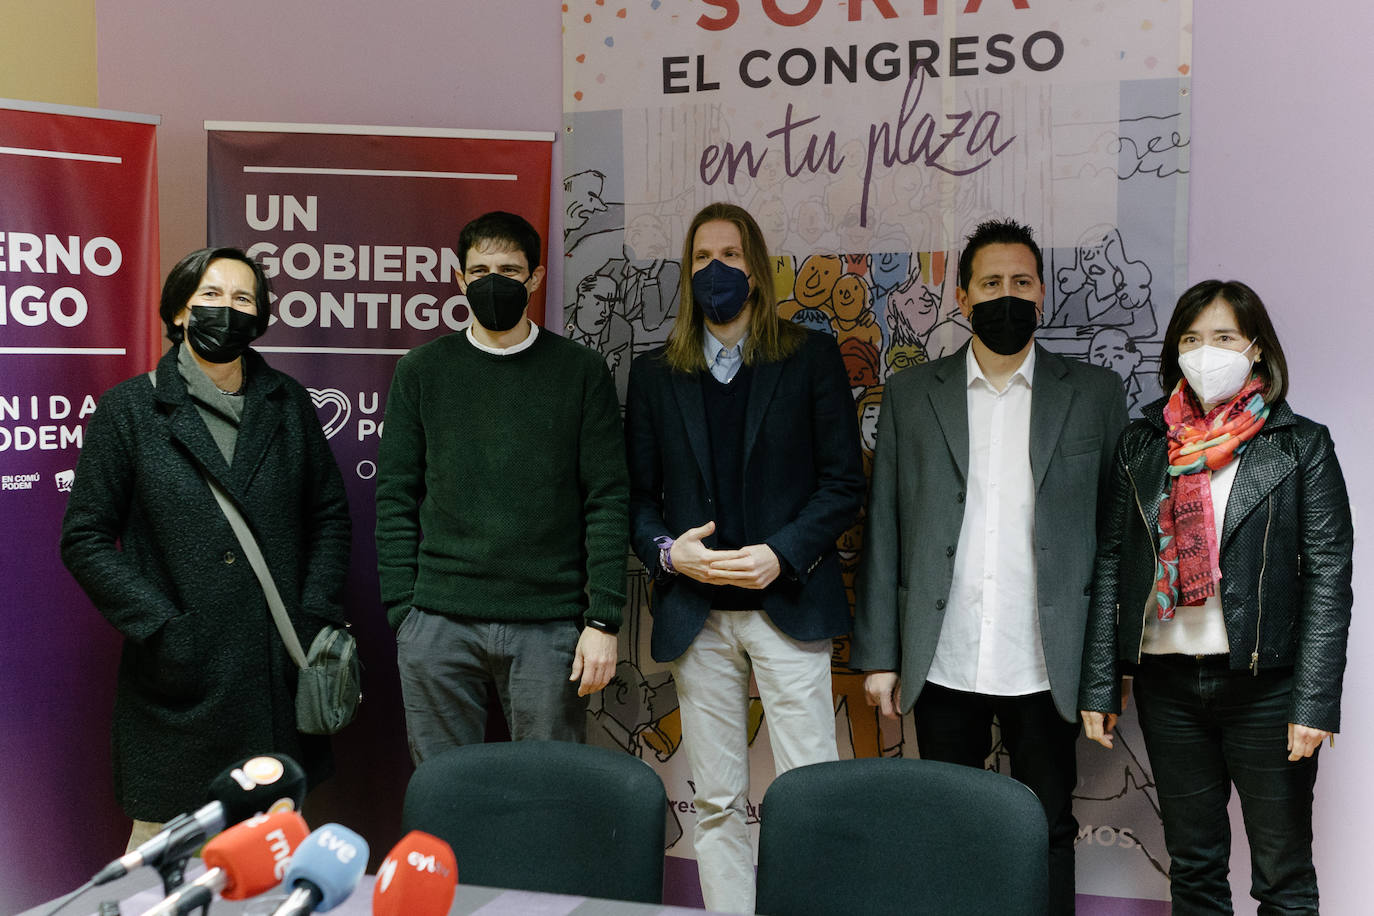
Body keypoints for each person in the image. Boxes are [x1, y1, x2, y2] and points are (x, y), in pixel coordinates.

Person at [853, 219, 1127, 914]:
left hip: (1046, 661)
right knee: (948, 828)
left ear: (1042, 293)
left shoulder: (1093, 394)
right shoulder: (913, 396)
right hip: (943, 657)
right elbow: (884, 524)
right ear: (964, 294)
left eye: (1022, 282)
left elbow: (1117, 537)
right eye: (992, 283)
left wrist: (1109, 665)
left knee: (1049, 829)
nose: (1008, 295)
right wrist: (880, 654)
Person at [60, 247, 351, 849]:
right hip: (177, 686)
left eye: (243, 299)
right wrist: (165, 629)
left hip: (276, 675)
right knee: (163, 875)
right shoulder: (129, 410)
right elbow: (84, 537)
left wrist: (314, 613)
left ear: (261, 316)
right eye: (211, 296)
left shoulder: (289, 404)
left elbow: (329, 515)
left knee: (271, 866)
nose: (227, 310)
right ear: (179, 311)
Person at [1079, 280, 1353, 914]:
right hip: (1168, 687)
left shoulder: (1300, 445)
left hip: (1268, 688)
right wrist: (1099, 683)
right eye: (1192, 339)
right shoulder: (1144, 443)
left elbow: (1327, 576)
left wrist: (1313, 700)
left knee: (1283, 878)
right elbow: (1114, 563)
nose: (1207, 352)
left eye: (1224, 338)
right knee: (1195, 872)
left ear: (1256, 350)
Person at [625, 202, 865, 915]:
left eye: (730, 255)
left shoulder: (809, 356)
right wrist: (672, 556)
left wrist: (780, 555)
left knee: (810, 793)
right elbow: (636, 499)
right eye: (701, 258)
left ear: (756, 270)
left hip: (787, 608)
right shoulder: (655, 374)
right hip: (699, 619)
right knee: (720, 802)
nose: (715, 270)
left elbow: (843, 485)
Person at [376, 210, 628, 761]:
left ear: (536, 278)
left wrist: (603, 618)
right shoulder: (421, 370)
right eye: (481, 270)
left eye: (510, 270)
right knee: (444, 795)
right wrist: (404, 610)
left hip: (549, 626)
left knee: (549, 795)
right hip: (438, 622)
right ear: (460, 278)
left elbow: (607, 499)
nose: (495, 282)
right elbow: (395, 493)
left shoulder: (581, 372)